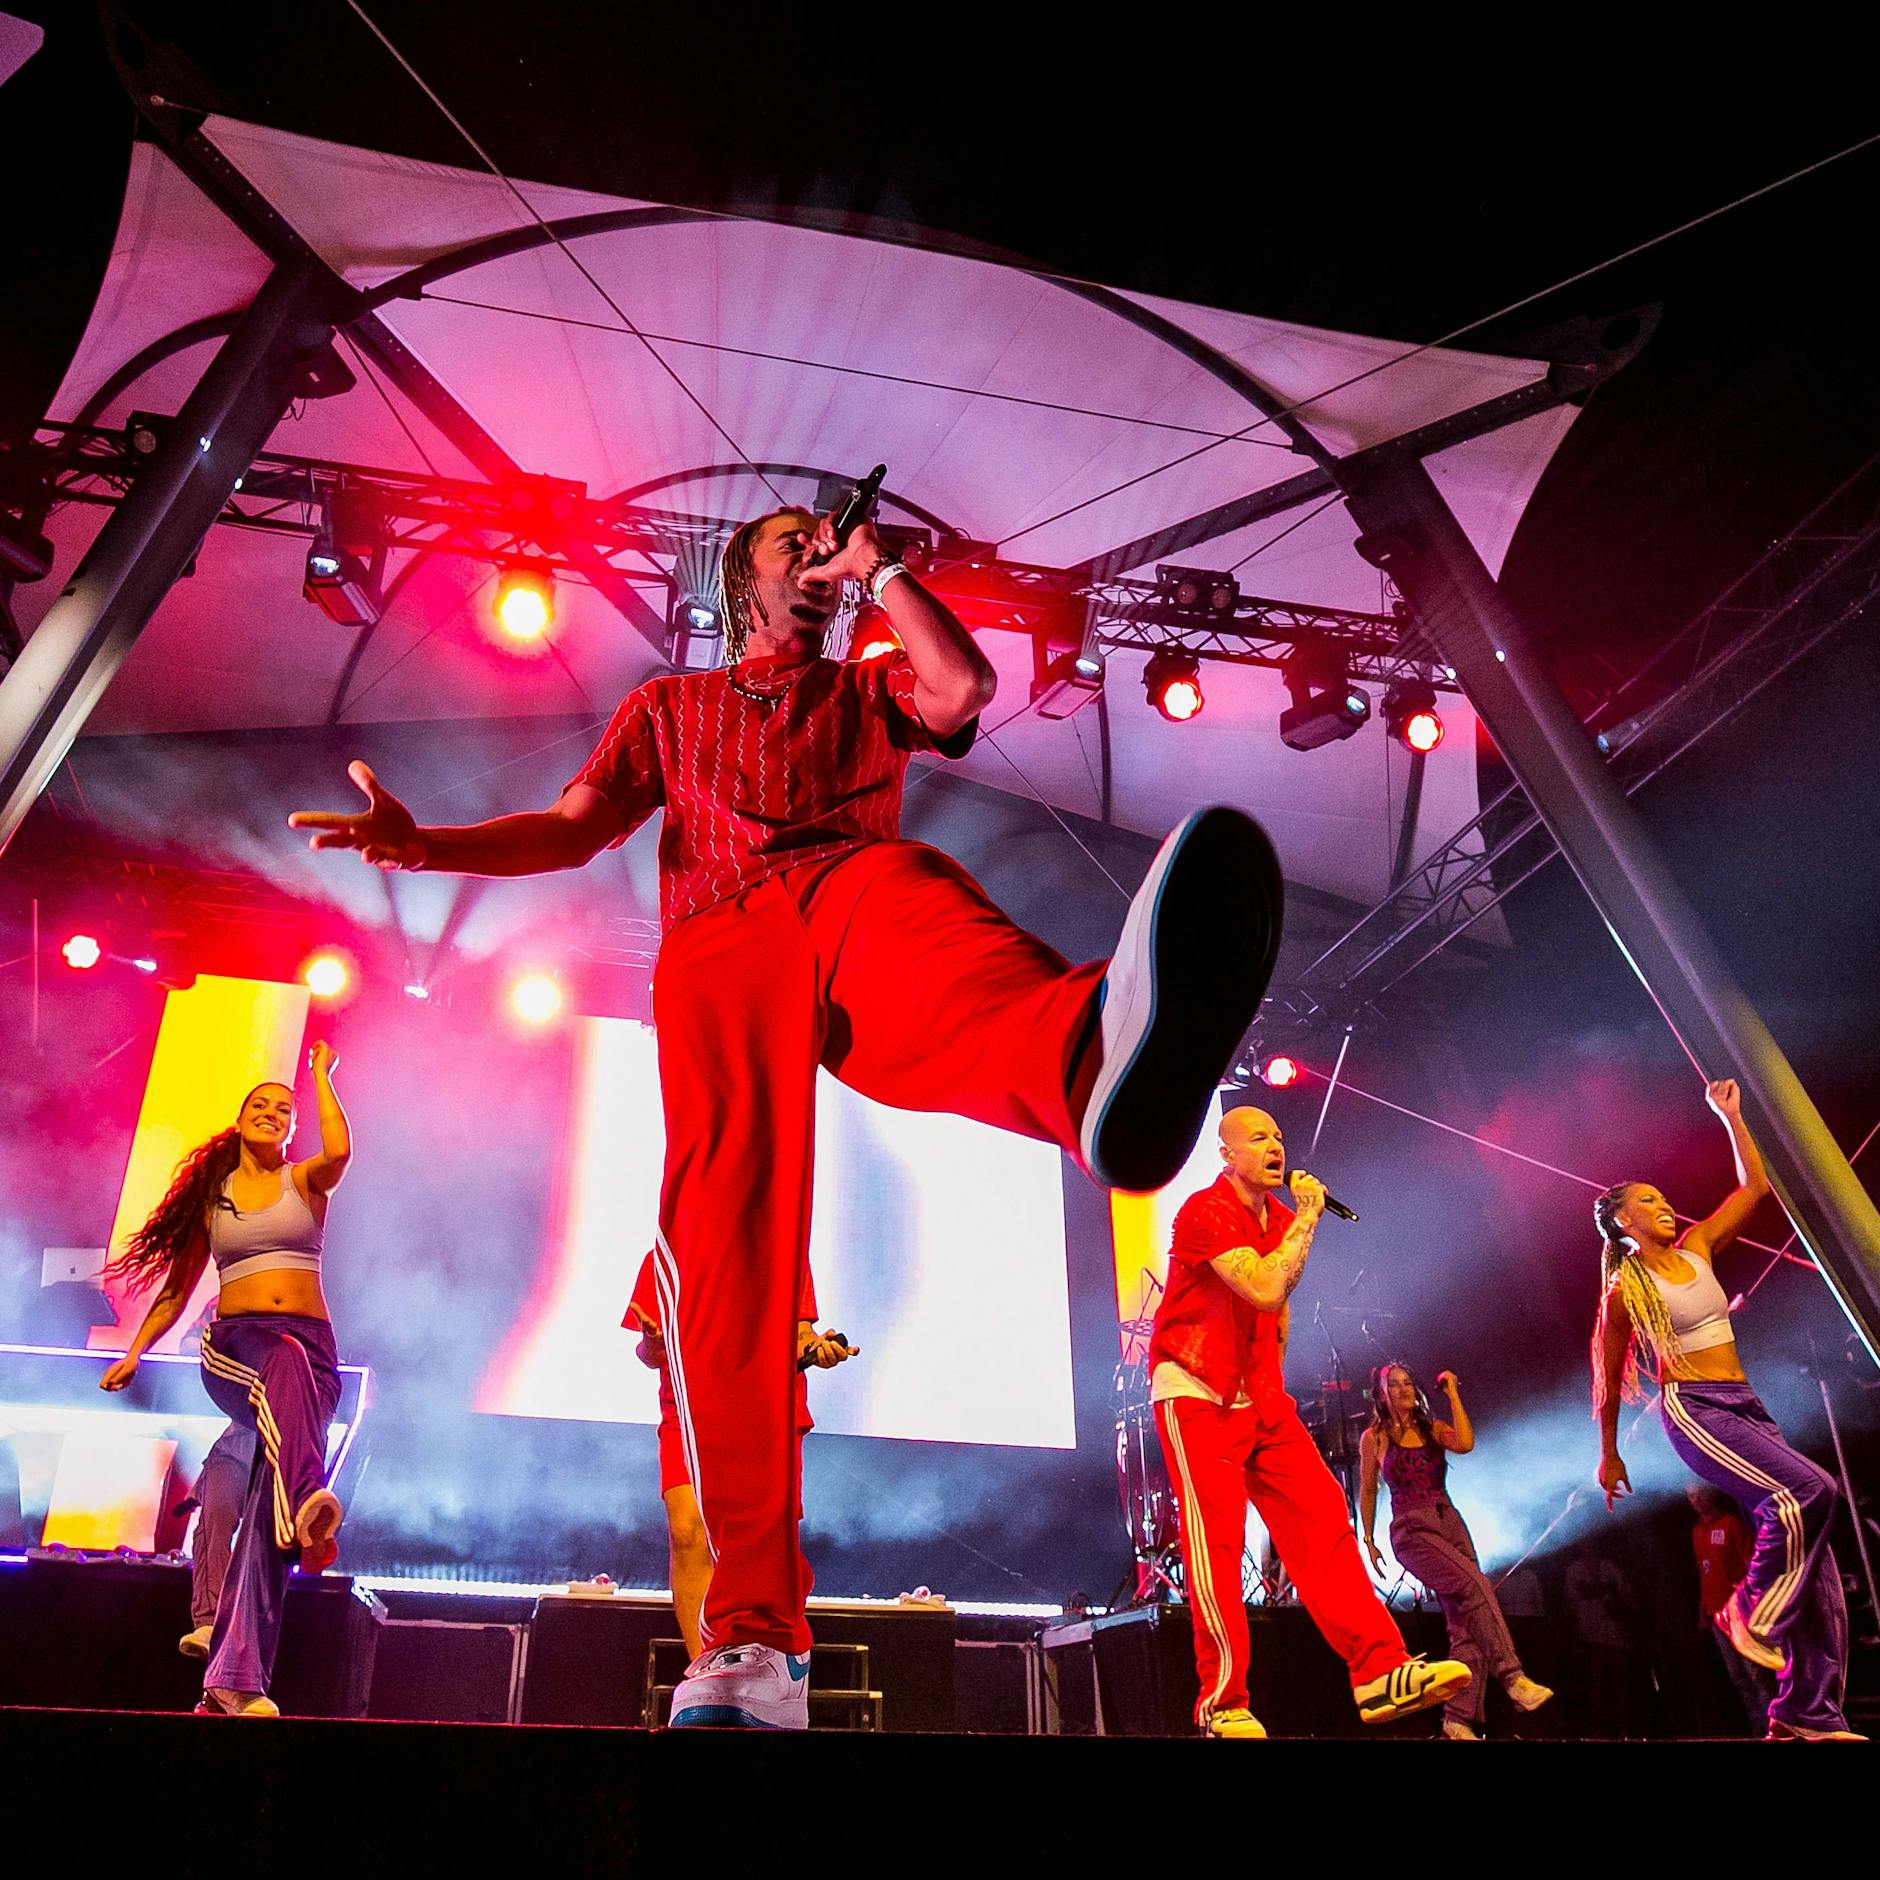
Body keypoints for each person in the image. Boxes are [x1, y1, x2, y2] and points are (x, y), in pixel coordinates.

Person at [291, 499, 1281, 1728]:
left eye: (829, 539)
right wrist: (426, 842)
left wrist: (885, 570)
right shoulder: (666, 706)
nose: (817, 553)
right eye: (791, 542)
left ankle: (1088, 1067)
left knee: (926, 899)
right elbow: (570, 825)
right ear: (737, 575)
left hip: (848, 888)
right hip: (718, 938)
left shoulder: (865, 688)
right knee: (730, 1238)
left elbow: (961, 683)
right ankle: (753, 1642)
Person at [1146, 1104, 1469, 1738]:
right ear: (1226, 1155)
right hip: (1196, 1391)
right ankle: (1223, 1704)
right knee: (1216, 1546)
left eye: (1278, 1136)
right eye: (1258, 1138)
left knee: (1323, 1520)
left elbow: (1280, 1313)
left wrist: (1270, 1384)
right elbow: (1264, 1286)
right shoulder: (1204, 1212)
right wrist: (1310, 1221)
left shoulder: (1286, 1219)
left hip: (1261, 1398)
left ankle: (1380, 1671)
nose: (1274, 1146)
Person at [1593, 1076, 1862, 1742]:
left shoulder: (1696, 1248)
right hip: (1695, 1409)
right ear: (1623, 1222)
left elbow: (1754, 1188)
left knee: (1819, 1562)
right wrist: (1608, 1451)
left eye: (1663, 1197)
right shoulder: (1626, 1289)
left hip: (1745, 1405)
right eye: (1648, 1201)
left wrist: (1730, 1117)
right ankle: (1748, 1614)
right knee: (1808, 1492)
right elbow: (1607, 1376)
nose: (1664, 1205)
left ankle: (1806, 1714)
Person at [101, 1043, 352, 1717]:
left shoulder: (306, 1184)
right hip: (237, 1348)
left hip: (313, 1356)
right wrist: (136, 1353)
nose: (271, 1112)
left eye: (283, 1109)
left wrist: (323, 1079)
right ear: (240, 1121)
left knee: (271, 1522)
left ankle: (233, 1682)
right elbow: (177, 1290)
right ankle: (308, 1499)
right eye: (259, 1105)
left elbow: (341, 1152)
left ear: (292, 1129)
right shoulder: (216, 1198)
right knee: (286, 1388)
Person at [624, 1249, 855, 1669]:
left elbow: (802, 1335)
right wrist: (653, 1344)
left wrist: (817, 1349)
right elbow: (649, 1353)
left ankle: (770, 1661)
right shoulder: (666, 1255)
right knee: (687, 1531)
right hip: (690, 1408)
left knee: (763, 1544)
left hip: (765, 1409)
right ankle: (703, 1669)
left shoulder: (780, 1246)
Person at [1358, 1361, 1553, 1739]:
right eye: (1393, 1385)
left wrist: (1453, 1393)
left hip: (1450, 1522)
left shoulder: (1432, 1429)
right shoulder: (1375, 1438)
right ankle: (1513, 1678)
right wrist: (1368, 1539)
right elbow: (1367, 1490)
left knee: (1467, 1620)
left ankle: (1458, 1720)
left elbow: (1465, 1443)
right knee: (1475, 1586)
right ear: (1382, 1394)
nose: (1403, 1390)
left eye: (1407, 1383)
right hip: (1412, 1528)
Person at [1687, 1481, 1779, 1731]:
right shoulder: (1697, 1531)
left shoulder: (1730, 1523)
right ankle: (1758, 1726)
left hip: (1739, 1614)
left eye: (1698, 1495)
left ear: (1710, 1494)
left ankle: (1775, 1726)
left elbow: (1750, 1564)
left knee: (1756, 1673)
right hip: (1715, 1614)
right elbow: (1703, 1572)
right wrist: (1702, 1611)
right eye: (1690, 1497)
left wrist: (1751, 1604)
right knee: (1737, 1676)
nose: (1695, 1501)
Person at [175, 1419, 258, 1658]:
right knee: (214, 1524)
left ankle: (244, 1638)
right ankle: (209, 1623)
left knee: (261, 1548)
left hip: (280, 1461)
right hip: (233, 1451)